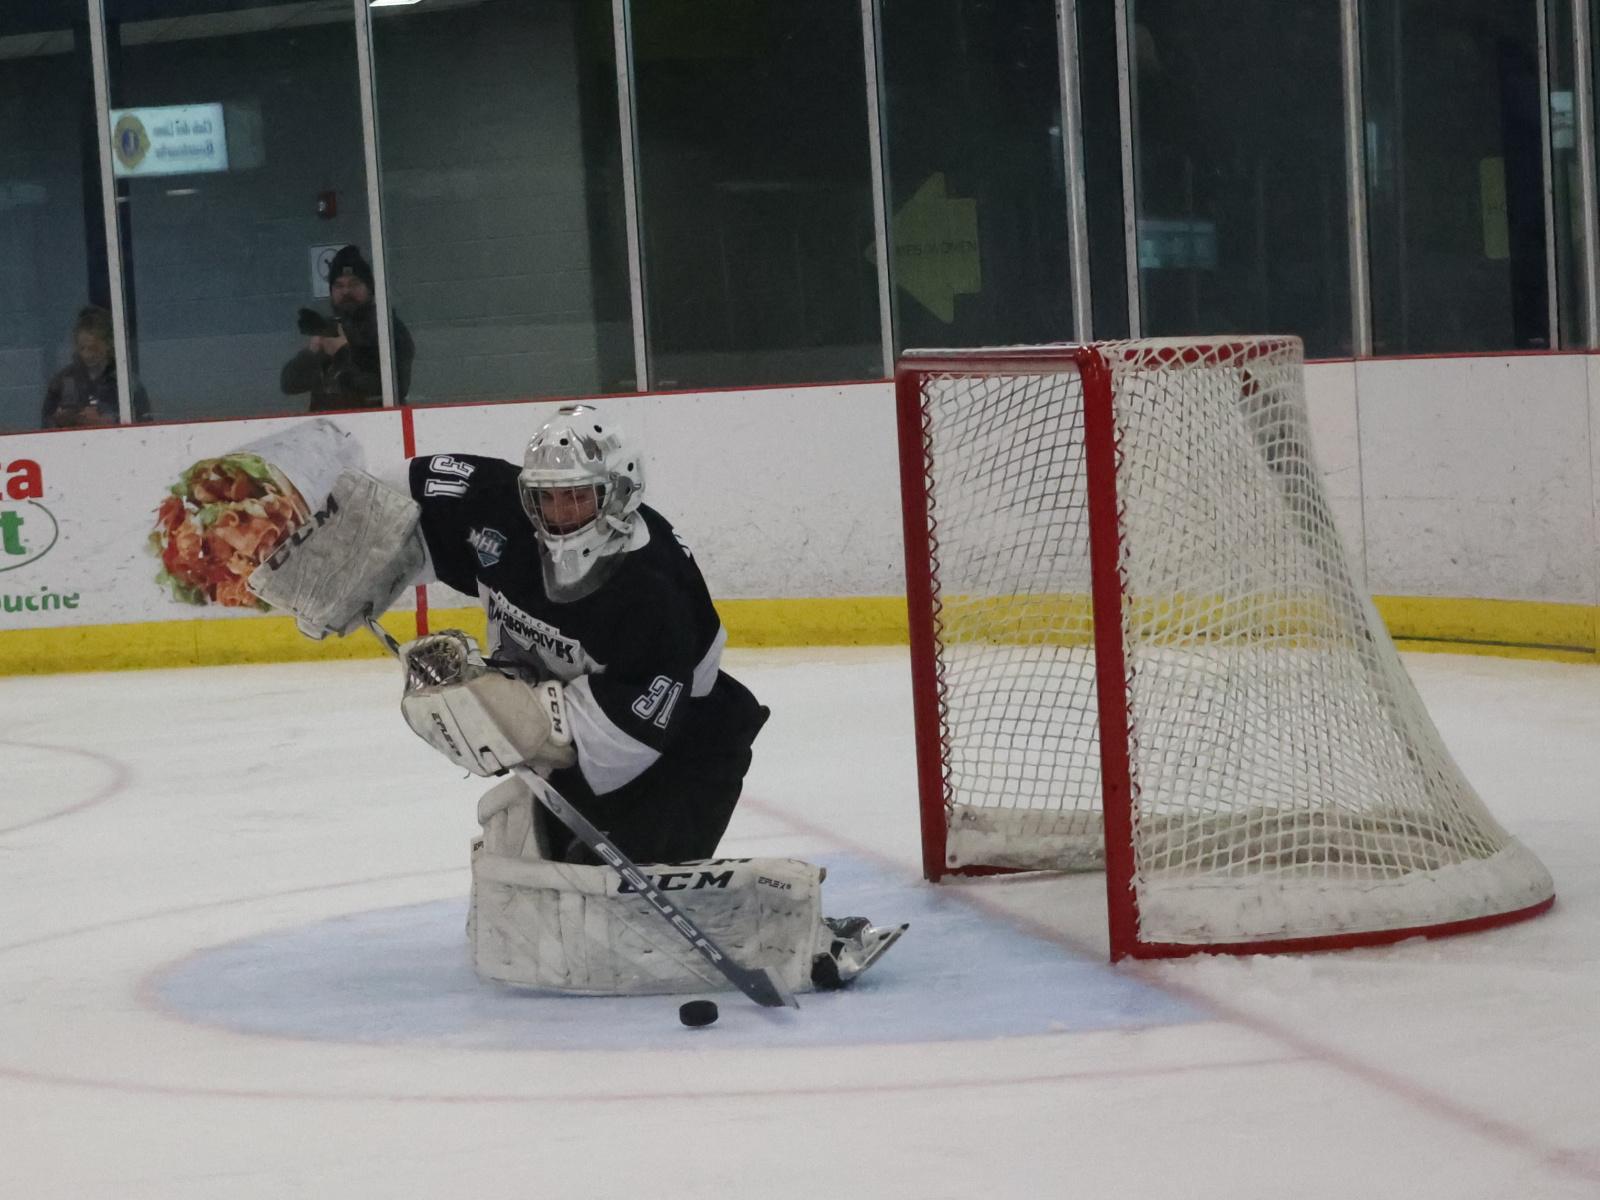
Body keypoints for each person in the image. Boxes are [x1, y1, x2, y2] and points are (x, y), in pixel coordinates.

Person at [248, 405, 905, 996]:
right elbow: (406, 495)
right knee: (534, 891)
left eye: (577, 499)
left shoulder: (655, 589)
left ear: (617, 494)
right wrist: (327, 544)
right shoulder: (496, 507)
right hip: (577, 736)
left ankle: (801, 933)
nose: (559, 516)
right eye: (547, 500)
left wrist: (508, 717)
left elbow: (626, 745)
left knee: (617, 916)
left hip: (684, 752)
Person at [280, 245, 414, 411]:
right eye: (338, 285)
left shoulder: (388, 329)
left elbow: (396, 388)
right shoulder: (328, 329)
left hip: (376, 429)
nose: (346, 291)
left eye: (354, 283)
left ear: (369, 289)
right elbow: (289, 384)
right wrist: (311, 352)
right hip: (327, 430)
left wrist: (342, 354)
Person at [40, 306, 152, 428]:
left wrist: (107, 422)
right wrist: (60, 421)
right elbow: (45, 424)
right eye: (82, 348)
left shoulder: (127, 383)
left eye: (93, 348)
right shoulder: (63, 381)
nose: (87, 354)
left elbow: (145, 424)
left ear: (108, 344)